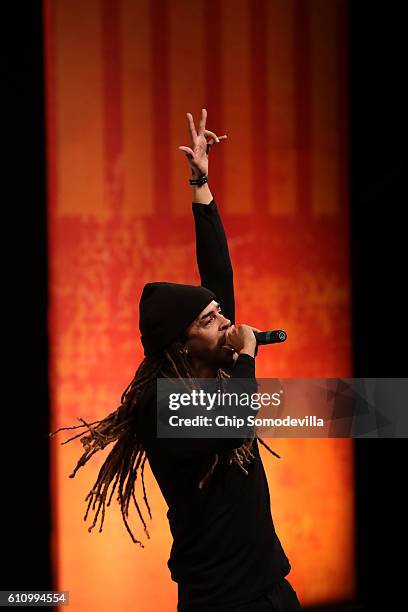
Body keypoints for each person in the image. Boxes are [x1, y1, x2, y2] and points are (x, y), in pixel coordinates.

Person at [51, 109, 302, 611]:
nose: (225, 321)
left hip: (270, 584)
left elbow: (217, 271)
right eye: (210, 319)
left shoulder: (216, 368)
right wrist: (249, 354)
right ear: (181, 343)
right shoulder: (162, 405)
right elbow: (232, 424)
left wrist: (201, 183)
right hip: (222, 598)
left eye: (219, 314)